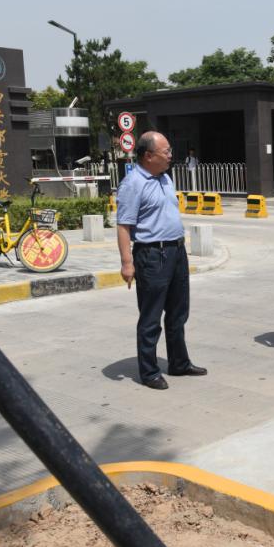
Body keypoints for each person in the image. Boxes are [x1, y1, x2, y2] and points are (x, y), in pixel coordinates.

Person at [115, 131, 207, 389]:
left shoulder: (165, 177)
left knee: (178, 312)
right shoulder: (133, 184)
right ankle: (149, 371)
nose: (170, 155)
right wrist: (127, 263)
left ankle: (179, 363)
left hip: (176, 252)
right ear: (148, 155)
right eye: (165, 151)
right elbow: (123, 226)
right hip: (152, 255)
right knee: (151, 316)